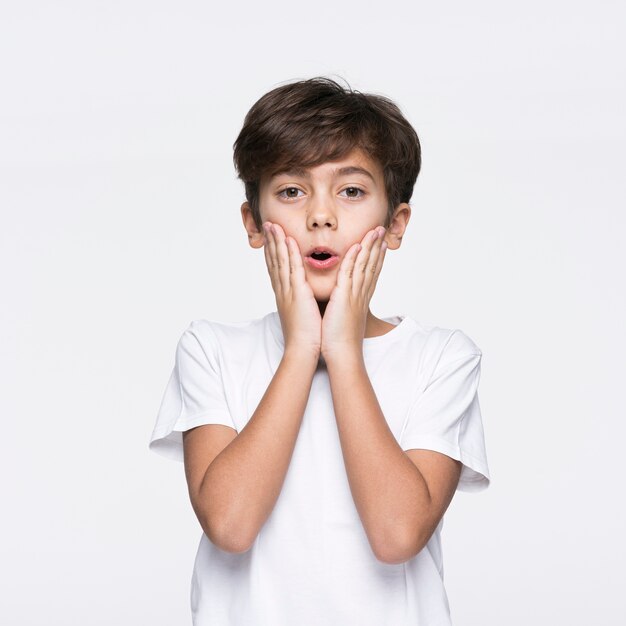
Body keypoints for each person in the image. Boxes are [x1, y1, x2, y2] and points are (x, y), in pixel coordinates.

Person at [149, 77, 491, 626]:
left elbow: (397, 534)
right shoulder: (211, 349)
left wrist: (346, 356)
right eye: (291, 191)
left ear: (396, 223)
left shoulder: (441, 357)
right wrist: (301, 350)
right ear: (253, 223)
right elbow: (230, 526)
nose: (320, 216)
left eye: (351, 191)